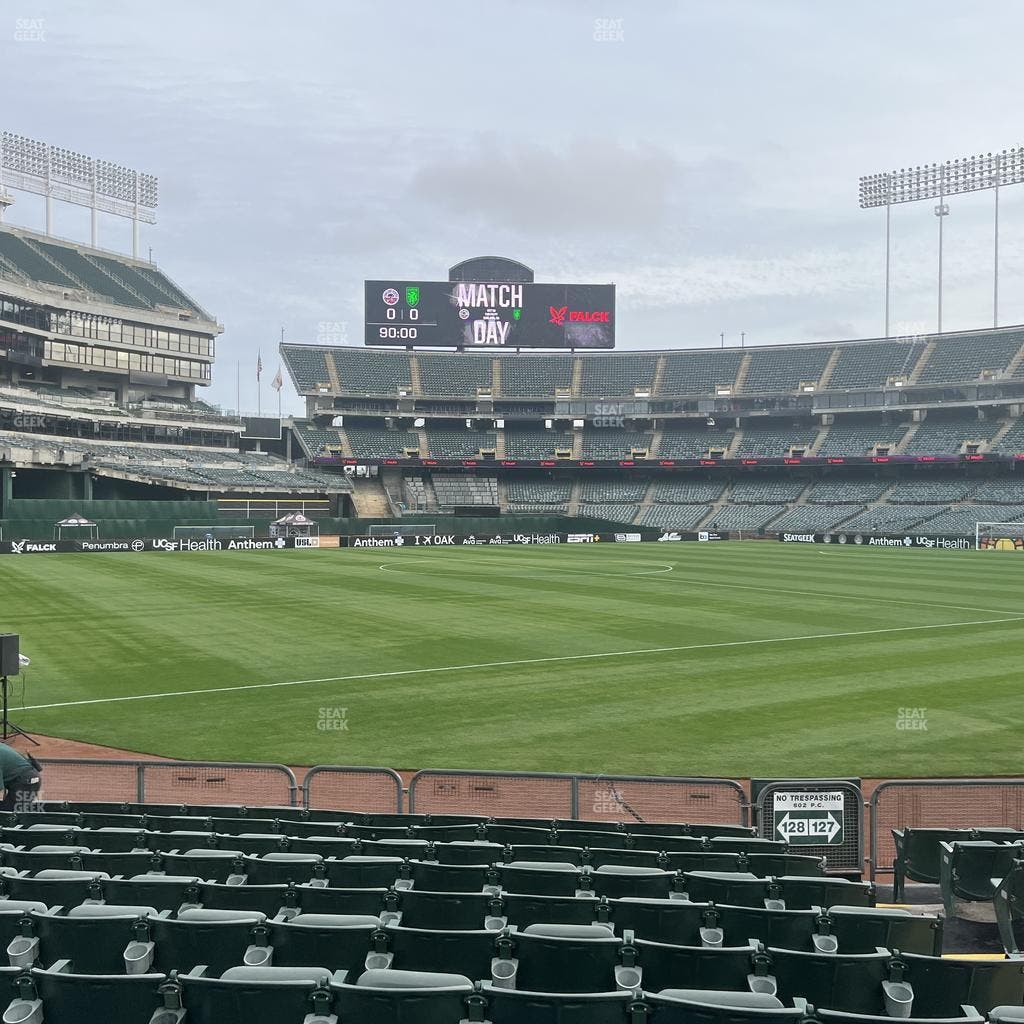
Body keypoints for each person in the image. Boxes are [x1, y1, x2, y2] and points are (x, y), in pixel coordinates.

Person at [0, 742, 41, 812]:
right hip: (27, 778)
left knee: (8, 816)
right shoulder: (2, 746)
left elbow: (0, 790)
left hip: (25, 782)